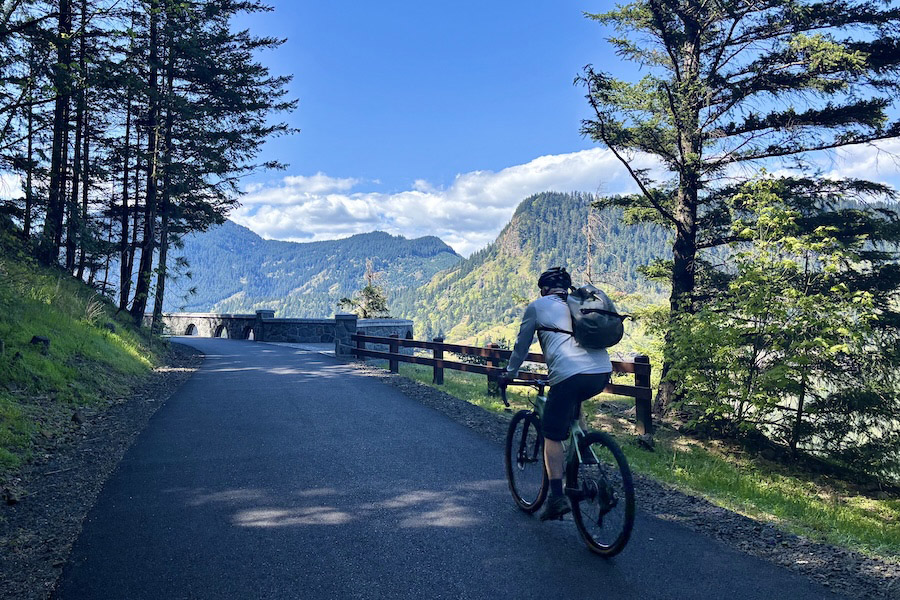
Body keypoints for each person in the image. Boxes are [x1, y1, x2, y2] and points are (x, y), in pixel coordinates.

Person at [499, 267, 613, 521]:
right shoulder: (579, 304)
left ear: (544, 289)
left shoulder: (538, 307)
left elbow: (521, 346)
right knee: (573, 418)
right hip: (601, 372)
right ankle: (588, 464)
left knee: (552, 433)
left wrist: (509, 373)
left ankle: (556, 497)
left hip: (569, 374)